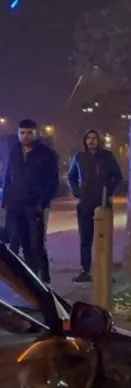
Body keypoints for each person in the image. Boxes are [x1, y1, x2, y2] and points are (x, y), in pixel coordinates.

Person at [1, 120, 58, 282]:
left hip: (34, 206)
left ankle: (44, 279)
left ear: (36, 134)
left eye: (29, 133)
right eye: (22, 132)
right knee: (19, 243)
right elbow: (8, 178)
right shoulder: (14, 152)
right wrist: (5, 201)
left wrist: (41, 203)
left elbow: (52, 182)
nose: (25, 136)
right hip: (15, 206)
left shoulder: (46, 154)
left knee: (36, 245)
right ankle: (29, 279)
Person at [67, 129, 123, 283]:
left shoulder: (107, 156)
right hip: (85, 202)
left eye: (94, 138)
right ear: (85, 141)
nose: (91, 141)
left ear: (99, 140)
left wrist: (108, 190)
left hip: (103, 202)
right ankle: (85, 270)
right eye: (88, 138)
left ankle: (104, 271)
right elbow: (71, 177)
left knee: (103, 237)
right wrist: (77, 191)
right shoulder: (79, 157)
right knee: (85, 237)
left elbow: (117, 176)